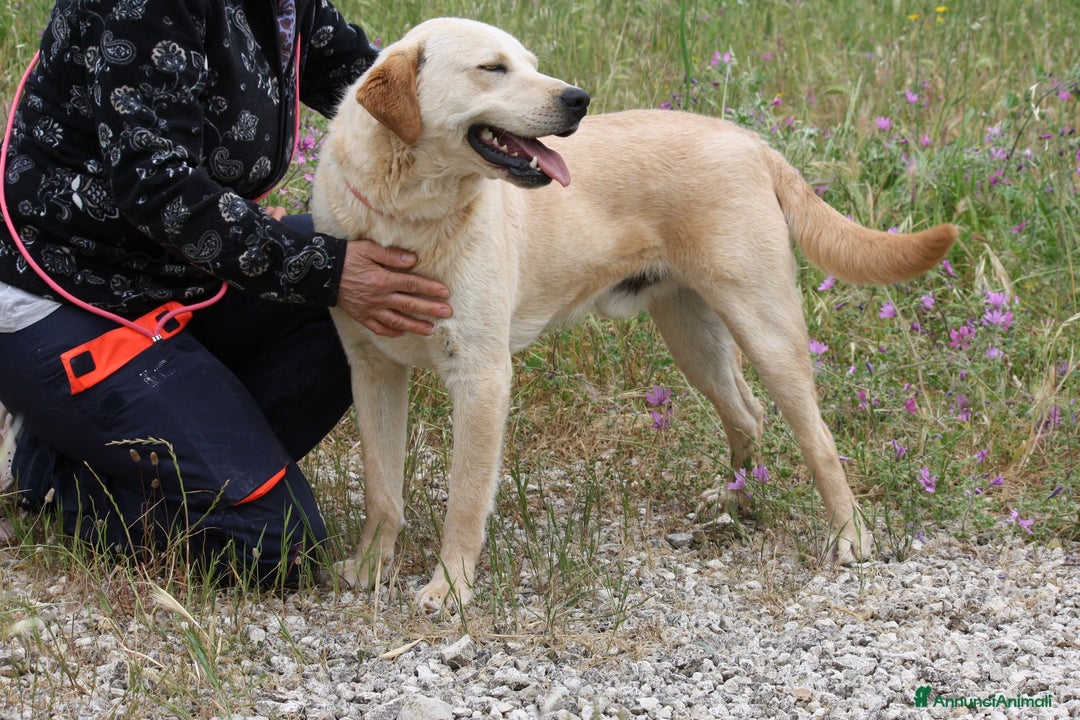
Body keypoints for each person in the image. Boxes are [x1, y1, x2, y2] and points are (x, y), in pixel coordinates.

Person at [0, 0, 452, 585]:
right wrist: (329, 271)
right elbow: (158, 188)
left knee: (382, 281)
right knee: (272, 541)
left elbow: (379, 93)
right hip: (69, 299)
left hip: (184, 283)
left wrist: (497, 135)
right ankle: (41, 467)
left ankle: (158, 455)